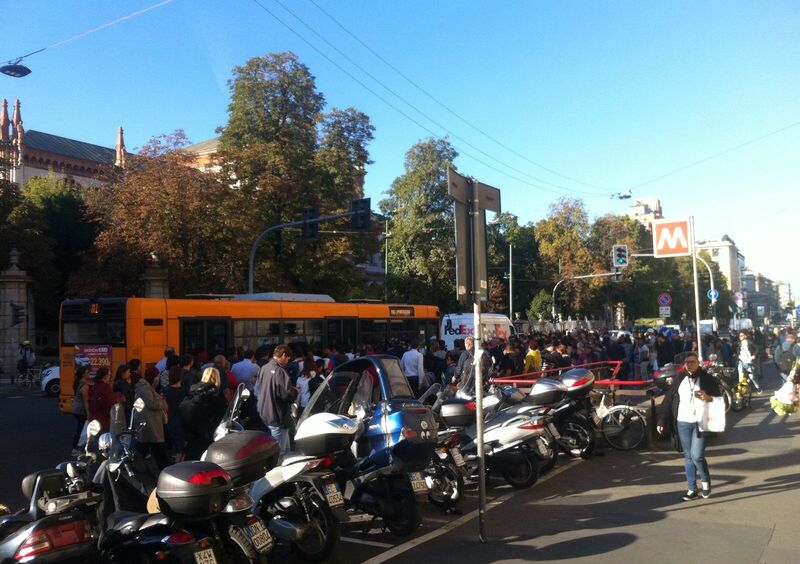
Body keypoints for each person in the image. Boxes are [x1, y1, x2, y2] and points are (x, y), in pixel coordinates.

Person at [656, 352, 722, 501]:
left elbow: (719, 399)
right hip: (683, 421)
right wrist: (662, 420)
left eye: (692, 362)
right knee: (688, 457)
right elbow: (668, 400)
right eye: (686, 362)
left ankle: (705, 483)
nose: (689, 365)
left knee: (697, 455)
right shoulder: (679, 379)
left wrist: (708, 398)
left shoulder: (707, 379)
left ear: (698, 363)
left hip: (701, 421)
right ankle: (692, 489)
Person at [254, 344, 298, 455]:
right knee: (280, 453)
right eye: (288, 358)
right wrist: (295, 392)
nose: (288, 361)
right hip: (278, 415)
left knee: (285, 451)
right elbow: (286, 395)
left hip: (265, 413)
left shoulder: (264, 368)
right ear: (283, 355)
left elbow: (260, 389)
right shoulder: (279, 371)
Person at [133, 367, 170, 470]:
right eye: (157, 376)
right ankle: (164, 468)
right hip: (150, 422)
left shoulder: (147, 386)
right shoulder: (145, 388)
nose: (158, 378)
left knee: (145, 445)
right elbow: (151, 403)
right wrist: (162, 402)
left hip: (149, 421)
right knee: (156, 446)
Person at [163, 365, 187, 462]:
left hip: (170, 419)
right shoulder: (184, 391)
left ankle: (177, 463)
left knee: (176, 446)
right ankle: (177, 466)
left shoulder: (166, 391)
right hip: (182, 421)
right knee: (182, 447)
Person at [69, 365, 90, 456]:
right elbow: (86, 401)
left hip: (76, 409)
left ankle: (77, 447)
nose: (89, 373)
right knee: (81, 429)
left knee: (80, 428)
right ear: (83, 374)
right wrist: (89, 413)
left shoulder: (78, 382)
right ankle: (75, 449)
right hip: (81, 410)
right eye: (87, 372)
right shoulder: (84, 385)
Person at [88, 367, 115, 433]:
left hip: (94, 416)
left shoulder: (93, 386)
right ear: (105, 376)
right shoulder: (106, 387)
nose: (110, 376)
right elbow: (110, 402)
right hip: (104, 417)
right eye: (109, 375)